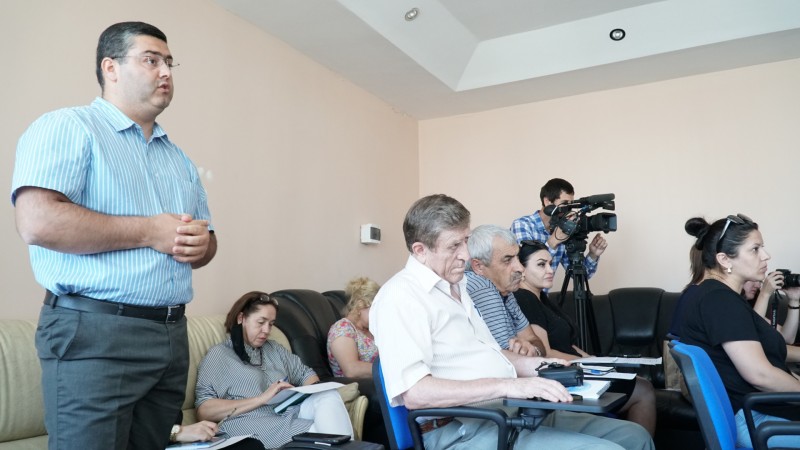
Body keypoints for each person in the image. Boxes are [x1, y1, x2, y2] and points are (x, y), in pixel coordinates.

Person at [11, 22, 217, 450]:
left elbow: (207, 242)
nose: (166, 72)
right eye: (151, 60)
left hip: (171, 334)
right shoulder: (69, 126)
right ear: (111, 68)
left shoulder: (179, 159)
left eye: (169, 62)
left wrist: (202, 246)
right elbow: (37, 222)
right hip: (95, 333)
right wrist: (149, 231)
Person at [370, 194, 654, 450]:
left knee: (634, 436)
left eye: (466, 240)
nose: (466, 254)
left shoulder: (459, 286)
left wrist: (542, 366)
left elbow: (494, 353)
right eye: (454, 245)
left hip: (507, 414)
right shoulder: (400, 297)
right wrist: (510, 386)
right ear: (420, 250)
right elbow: (415, 393)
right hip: (462, 430)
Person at [514, 239, 657, 436]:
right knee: (644, 389)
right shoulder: (525, 298)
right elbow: (545, 353)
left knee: (638, 383)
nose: (550, 270)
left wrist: (595, 361)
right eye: (541, 264)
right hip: (563, 375)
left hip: (576, 368)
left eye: (550, 263)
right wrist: (587, 363)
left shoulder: (542, 298)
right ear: (521, 269)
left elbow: (568, 344)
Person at [681, 214, 800, 448]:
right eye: (755, 249)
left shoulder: (719, 296)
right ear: (725, 259)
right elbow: (760, 375)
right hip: (757, 420)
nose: (766, 255)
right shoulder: (720, 300)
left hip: (756, 413)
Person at [195, 292, 354, 449]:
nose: (266, 330)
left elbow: (306, 374)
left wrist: (305, 393)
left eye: (271, 324)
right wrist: (262, 398)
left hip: (287, 411)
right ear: (241, 318)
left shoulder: (274, 349)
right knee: (323, 433)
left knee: (328, 395)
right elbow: (204, 410)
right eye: (261, 322)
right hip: (248, 422)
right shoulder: (220, 354)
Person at [465, 225, 547, 357]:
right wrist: (528, 353)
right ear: (479, 266)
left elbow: (533, 340)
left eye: (517, 258)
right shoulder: (481, 286)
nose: (520, 268)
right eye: (507, 260)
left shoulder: (505, 290)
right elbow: (504, 358)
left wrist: (532, 350)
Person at [511, 178, 608, 279]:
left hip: (545, 290)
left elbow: (581, 276)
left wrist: (593, 254)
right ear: (547, 201)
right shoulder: (523, 225)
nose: (568, 209)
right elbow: (525, 272)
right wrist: (554, 240)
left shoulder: (563, 228)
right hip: (525, 290)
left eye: (570, 205)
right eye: (564, 204)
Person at [327, 277, 380, 377]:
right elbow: (352, 370)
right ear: (360, 304)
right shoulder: (342, 328)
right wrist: (388, 369)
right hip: (359, 385)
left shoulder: (372, 329)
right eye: (376, 309)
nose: (379, 314)